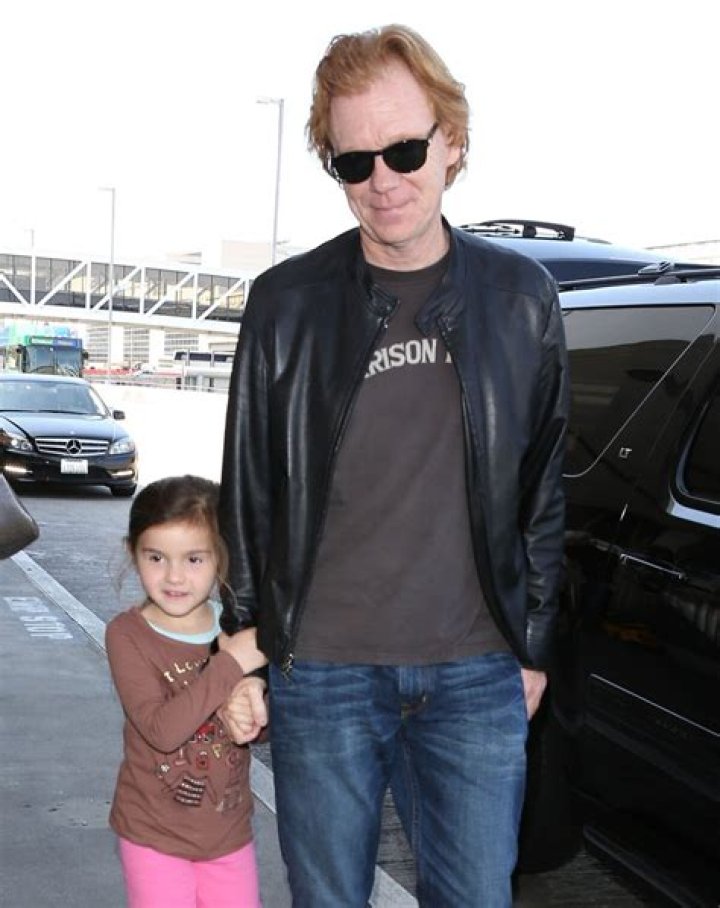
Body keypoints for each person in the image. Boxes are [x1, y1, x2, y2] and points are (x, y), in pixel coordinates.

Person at [219, 23, 569, 908]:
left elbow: (542, 494)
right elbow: (249, 490)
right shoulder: (286, 305)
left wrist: (531, 650)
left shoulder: (521, 299)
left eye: (405, 150)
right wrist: (244, 646)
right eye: (355, 162)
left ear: (452, 141)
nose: (383, 181)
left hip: (476, 674)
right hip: (321, 672)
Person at [106, 475, 267, 908]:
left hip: (228, 836)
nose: (174, 576)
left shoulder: (233, 629)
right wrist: (231, 664)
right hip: (153, 836)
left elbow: (264, 731)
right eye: (156, 557)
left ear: (220, 558)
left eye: (194, 559)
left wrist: (255, 706)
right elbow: (161, 730)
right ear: (133, 553)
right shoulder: (127, 635)